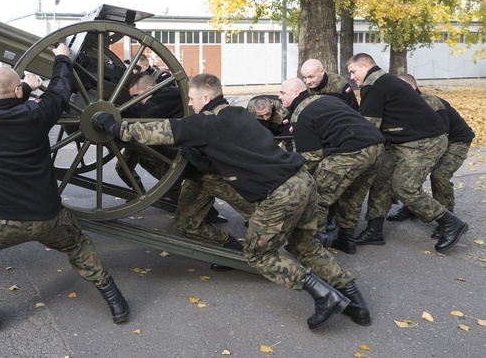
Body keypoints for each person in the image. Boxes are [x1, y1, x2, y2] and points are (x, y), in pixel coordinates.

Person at [93, 73, 369, 329]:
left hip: (280, 193)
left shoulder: (206, 124)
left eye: (191, 98)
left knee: (258, 255)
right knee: (306, 246)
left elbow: (159, 131)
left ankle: (323, 295)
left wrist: (115, 128)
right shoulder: (238, 112)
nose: (189, 103)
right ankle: (356, 303)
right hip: (303, 181)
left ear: (205, 98)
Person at [0, 43, 129, 330]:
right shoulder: (34, 115)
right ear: (17, 93)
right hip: (48, 217)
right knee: (78, 245)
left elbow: (5, 100)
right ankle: (115, 301)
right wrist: (62, 57)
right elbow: (60, 93)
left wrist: (23, 88)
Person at [346, 53, 469, 252]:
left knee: (404, 188)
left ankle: (450, 222)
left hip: (424, 141)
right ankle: (374, 230)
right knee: (381, 178)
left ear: (366, 65)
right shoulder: (385, 81)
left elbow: (369, 127)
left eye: (353, 71)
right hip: (401, 140)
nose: (352, 77)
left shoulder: (374, 84)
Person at [278, 78, 385, 255]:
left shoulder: (300, 114)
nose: (279, 97)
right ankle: (346, 239)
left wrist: (294, 177)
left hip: (350, 152)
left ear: (296, 93)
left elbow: (312, 156)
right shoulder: (326, 99)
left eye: (283, 93)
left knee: (317, 197)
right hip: (376, 147)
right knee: (353, 196)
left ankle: (312, 246)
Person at [117, 72, 236, 225]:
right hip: (169, 148)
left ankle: (209, 214)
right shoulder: (162, 96)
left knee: (193, 183)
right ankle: (205, 213)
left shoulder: (163, 98)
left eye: (136, 96)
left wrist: (116, 112)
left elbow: (144, 114)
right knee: (171, 182)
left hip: (183, 150)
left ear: (149, 89)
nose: (135, 101)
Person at [388, 74, 475, 238]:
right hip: (430, 142)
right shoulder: (404, 104)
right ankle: (412, 208)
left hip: (455, 142)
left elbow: (441, 136)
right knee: (410, 170)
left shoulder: (432, 104)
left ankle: (449, 217)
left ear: (411, 88)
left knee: (439, 175)